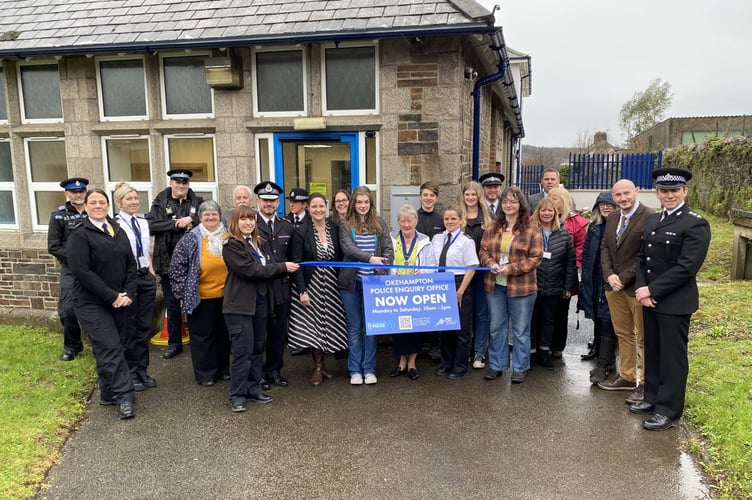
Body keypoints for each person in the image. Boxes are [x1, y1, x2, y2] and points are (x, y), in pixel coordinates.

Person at [630, 168, 710, 431]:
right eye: (664, 191)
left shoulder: (695, 223)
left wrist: (652, 290)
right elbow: (643, 259)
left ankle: (668, 410)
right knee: (653, 351)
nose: (669, 195)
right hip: (650, 299)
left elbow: (687, 267)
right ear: (657, 193)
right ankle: (652, 398)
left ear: (685, 192)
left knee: (672, 358)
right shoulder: (653, 220)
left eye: (674, 190)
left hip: (674, 302)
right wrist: (642, 288)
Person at [67, 188, 137, 419]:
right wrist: (112, 296)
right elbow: (82, 271)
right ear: (86, 206)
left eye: (102, 202)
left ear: (109, 206)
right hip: (91, 303)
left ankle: (108, 392)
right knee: (110, 347)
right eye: (93, 202)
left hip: (120, 299)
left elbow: (130, 264)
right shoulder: (80, 234)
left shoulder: (116, 230)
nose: (98, 206)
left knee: (120, 345)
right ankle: (125, 396)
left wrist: (127, 293)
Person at [222, 205, 299, 412]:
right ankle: (237, 395)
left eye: (251, 219)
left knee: (256, 348)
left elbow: (268, 265)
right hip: (240, 306)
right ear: (235, 223)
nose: (248, 223)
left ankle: (253, 388)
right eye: (243, 219)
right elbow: (251, 270)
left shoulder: (258, 243)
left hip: (261, 302)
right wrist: (283, 267)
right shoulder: (231, 245)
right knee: (242, 351)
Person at [597, 179, 654, 404]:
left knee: (643, 337)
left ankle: (646, 382)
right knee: (623, 334)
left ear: (636, 191)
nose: (623, 198)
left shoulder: (650, 216)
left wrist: (622, 278)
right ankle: (628, 376)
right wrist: (609, 274)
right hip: (614, 286)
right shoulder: (612, 217)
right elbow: (605, 248)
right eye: (618, 195)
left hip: (636, 287)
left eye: (626, 193)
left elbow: (645, 254)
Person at [479, 186, 543, 384]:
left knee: (521, 330)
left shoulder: (532, 230)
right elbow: (483, 251)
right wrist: (491, 263)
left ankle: (520, 367)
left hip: (522, 287)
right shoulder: (492, 227)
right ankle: (497, 365)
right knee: (496, 328)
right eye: (505, 201)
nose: (508, 205)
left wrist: (511, 268)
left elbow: (536, 258)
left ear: (520, 205)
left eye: (513, 201)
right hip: (495, 286)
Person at [169, 200, 231, 386]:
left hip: (227, 297)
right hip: (200, 298)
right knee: (202, 337)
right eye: (207, 215)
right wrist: (181, 294)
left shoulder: (229, 236)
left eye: (214, 214)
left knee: (223, 336)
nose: (211, 217)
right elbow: (177, 269)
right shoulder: (190, 238)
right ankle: (205, 373)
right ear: (201, 218)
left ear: (220, 216)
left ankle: (223, 370)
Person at [288, 193, 347, 385]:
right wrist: (302, 291)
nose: (318, 210)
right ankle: (318, 368)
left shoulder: (335, 228)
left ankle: (325, 365)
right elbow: (297, 262)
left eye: (321, 206)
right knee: (313, 326)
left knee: (328, 324)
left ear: (326, 207)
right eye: (314, 207)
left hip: (331, 284)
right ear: (308, 208)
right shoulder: (301, 231)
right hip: (310, 283)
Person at [338, 186, 394, 385]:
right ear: (354, 204)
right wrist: (370, 259)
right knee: (354, 327)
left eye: (366, 202)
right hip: (351, 284)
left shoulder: (380, 223)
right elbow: (349, 249)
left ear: (371, 204)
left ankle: (369, 368)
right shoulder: (345, 224)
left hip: (374, 284)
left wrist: (382, 268)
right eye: (359, 202)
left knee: (371, 328)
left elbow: (388, 247)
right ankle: (355, 370)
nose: (363, 206)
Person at [146, 169, 203, 359]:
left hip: (193, 262)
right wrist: (174, 224)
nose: (181, 186)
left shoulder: (197, 202)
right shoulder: (159, 203)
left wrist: (192, 219)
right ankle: (174, 343)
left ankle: (199, 340)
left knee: (197, 304)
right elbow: (151, 226)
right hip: (167, 261)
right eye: (177, 182)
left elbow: (208, 218)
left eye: (184, 183)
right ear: (171, 183)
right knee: (172, 305)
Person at [113, 182, 157, 392]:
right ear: (118, 202)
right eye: (128, 199)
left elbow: (145, 248)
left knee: (143, 327)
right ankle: (130, 372)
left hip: (144, 277)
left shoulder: (142, 222)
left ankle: (142, 369)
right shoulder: (114, 224)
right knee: (128, 327)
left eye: (136, 198)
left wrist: (150, 268)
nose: (133, 202)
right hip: (127, 279)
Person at [388, 204, 436, 381]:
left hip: (417, 290)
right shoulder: (391, 238)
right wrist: (393, 272)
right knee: (399, 326)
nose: (406, 224)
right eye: (403, 221)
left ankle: (412, 363)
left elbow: (433, 265)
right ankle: (401, 361)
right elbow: (386, 262)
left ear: (415, 221)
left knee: (416, 326)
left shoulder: (425, 240)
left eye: (409, 221)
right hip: (397, 290)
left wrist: (422, 272)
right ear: (398, 222)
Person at [254, 181, 294, 388]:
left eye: (272, 201)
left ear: (278, 202)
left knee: (279, 334)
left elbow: (292, 257)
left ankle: (274, 371)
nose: (269, 204)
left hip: (282, 288)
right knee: (259, 334)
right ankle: (258, 375)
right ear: (258, 201)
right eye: (265, 200)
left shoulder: (286, 225)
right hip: (260, 289)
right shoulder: (250, 224)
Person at [432, 205, 478, 379]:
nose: (450, 222)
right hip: (440, 284)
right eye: (447, 219)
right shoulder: (437, 239)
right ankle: (446, 362)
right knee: (445, 328)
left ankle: (459, 366)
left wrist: (460, 291)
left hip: (459, 283)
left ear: (461, 220)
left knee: (461, 329)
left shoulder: (467, 241)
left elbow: (471, 268)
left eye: (453, 219)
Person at [530, 198, 576, 370]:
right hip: (533, 284)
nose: (547, 213)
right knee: (532, 320)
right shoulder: (531, 231)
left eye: (550, 211)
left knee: (549, 320)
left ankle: (544, 353)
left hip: (555, 285)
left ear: (555, 213)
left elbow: (570, 262)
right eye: (543, 210)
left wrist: (567, 286)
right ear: (538, 212)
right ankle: (531, 353)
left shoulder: (564, 234)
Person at [579, 191, 619, 384]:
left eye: (610, 204)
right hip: (593, 277)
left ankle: (607, 361)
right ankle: (597, 347)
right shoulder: (594, 227)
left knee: (607, 318)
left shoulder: (619, 226)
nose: (606, 207)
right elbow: (587, 253)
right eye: (602, 205)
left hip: (610, 278)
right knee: (595, 313)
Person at [48, 177, 88, 361]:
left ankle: (100, 344)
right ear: (67, 194)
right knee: (66, 309)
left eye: (81, 192)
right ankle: (72, 346)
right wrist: (76, 259)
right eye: (74, 192)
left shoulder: (94, 210)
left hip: (94, 268)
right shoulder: (58, 215)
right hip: (71, 269)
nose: (78, 195)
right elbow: (54, 246)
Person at [546, 186, 588, 357]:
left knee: (561, 313)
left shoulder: (576, 223)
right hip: (544, 273)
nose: (551, 201)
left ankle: (557, 347)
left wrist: (571, 266)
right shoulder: (542, 217)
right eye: (549, 197)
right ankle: (543, 344)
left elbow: (581, 249)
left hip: (565, 274)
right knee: (544, 312)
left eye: (555, 198)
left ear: (563, 201)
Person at [459, 181, 493, 369]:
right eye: (467, 195)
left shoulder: (489, 219)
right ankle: (465, 351)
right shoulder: (458, 218)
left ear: (479, 196)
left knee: (482, 313)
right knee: (464, 312)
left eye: (474, 194)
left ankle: (480, 351)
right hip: (462, 275)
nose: (470, 198)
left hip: (482, 275)